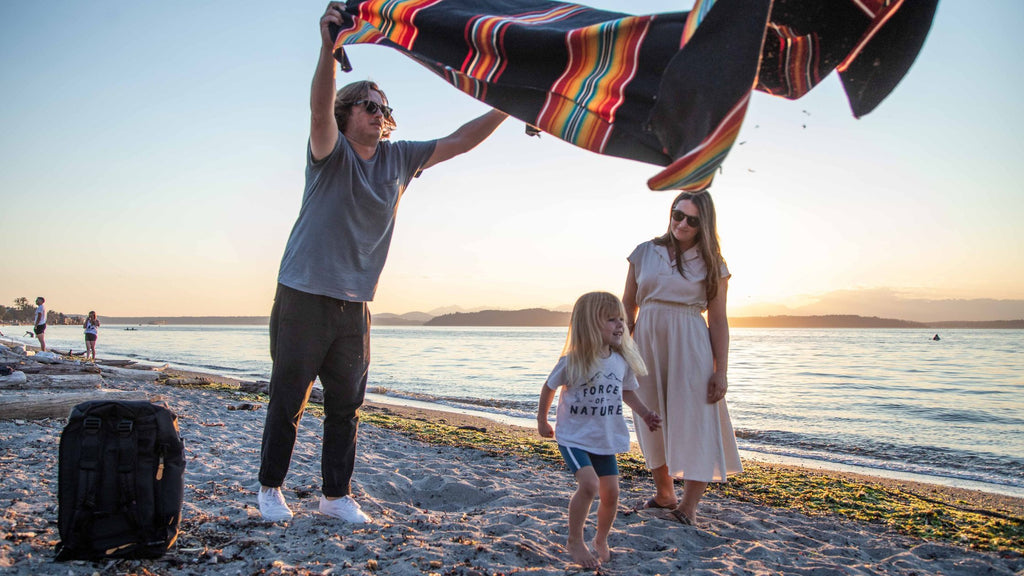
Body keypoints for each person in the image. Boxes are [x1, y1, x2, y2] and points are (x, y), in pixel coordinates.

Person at [257, 2, 508, 525]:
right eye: (366, 103)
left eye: (381, 105)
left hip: (356, 303)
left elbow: (460, 141)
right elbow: (317, 108)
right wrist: (329, 51)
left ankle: (334, 497)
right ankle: (270, 488)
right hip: (304, 292)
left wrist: (508, 106)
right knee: (289, 399)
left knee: (346, 405)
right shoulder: (330, 150)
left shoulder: (400, 158)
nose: (375, 110)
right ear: (348, 113)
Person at [623, 190, 742, 526]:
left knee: (697, 421)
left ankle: (688, 507)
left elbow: (718, 320)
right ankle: (664, 494)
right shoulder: (645, 252)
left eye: (692, 219)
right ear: (670, 213)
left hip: (691, 342)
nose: (683, 224)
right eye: (678, 215)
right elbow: (627, 306)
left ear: (704, 222)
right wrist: (619, 349)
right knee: (650, 418)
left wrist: (722, 371)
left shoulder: (714, 264)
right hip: (646, 341)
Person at [537, 291, 662, 568]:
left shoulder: (620, 361)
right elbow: (549, 386)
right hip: (573, 437)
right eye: (611, 320)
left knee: (612, 493)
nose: (620, 325)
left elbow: (626, 391)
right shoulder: (574, 360)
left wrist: (645, 414)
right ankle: (574, 540)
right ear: (590, 324)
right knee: (590, 485)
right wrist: (542, 421)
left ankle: (601, 539)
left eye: (622, 319)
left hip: (603, 437)